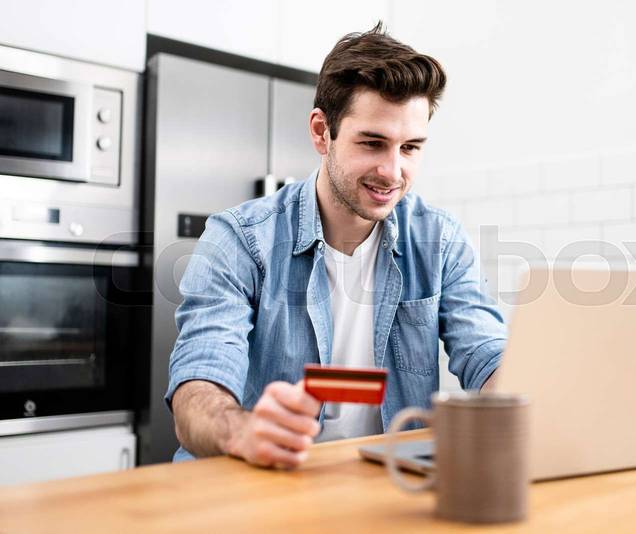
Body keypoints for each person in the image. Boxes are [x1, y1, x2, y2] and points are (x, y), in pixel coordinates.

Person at [166, 22, 506, 468]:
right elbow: (197, 387)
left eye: (410, 148)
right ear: (321, 131)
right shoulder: (239, 239)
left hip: (387, 483)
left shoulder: (439, 239)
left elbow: (487, 354)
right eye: (373, 143)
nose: (393, 171)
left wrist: (528, 397)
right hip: (262, 484)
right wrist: (241, 430)